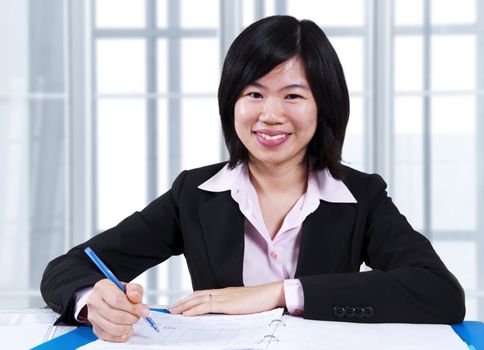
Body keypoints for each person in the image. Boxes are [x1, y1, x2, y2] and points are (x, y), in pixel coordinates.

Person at [40, 15, 465, 342]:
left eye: (293, 95)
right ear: (232, 103)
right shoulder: (195, 194)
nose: (271, 115)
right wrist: (93, 300)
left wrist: (280, 292)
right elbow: (68, 267)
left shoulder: (360, 196)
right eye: (254, 94)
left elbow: (439, 291)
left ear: (324, 106)